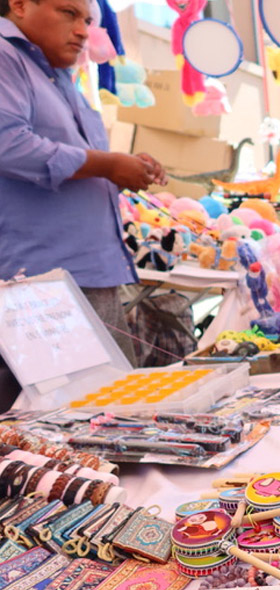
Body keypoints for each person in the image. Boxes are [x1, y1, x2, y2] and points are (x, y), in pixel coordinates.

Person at [0, 0, 166, 370]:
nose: (82, 30)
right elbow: (8, 145)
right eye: (68, 13)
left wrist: (125, 170)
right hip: (41, 286)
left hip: (84, 274)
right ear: (20, 5)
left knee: (113, 416)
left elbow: (67, 167)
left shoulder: (56, 74)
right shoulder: (5, 56)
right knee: (69, 420)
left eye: (88, 20)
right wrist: (107, 164)